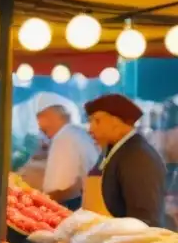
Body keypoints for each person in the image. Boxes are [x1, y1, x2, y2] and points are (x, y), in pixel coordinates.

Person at [85, 93, 166, 227]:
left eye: (97, 121)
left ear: (116, 123)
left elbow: (145, 220)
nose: (91, 129)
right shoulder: (113, 150)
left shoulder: (138, 157)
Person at [34, 94, 98, 210]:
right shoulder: (77, 132)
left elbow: (62, 187)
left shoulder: (64, 136)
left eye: (40, 116)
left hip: (72, 207)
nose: (39, 126)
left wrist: (37, 203)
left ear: (50, 115)